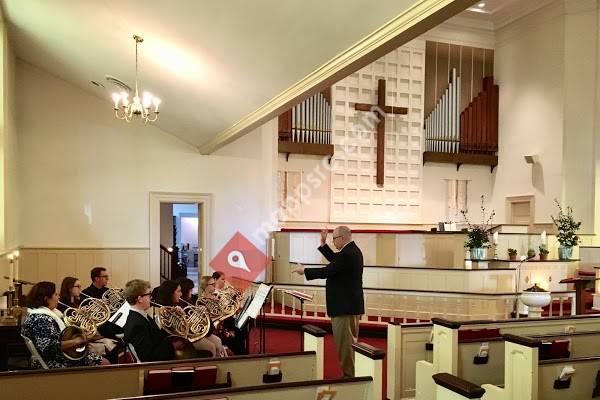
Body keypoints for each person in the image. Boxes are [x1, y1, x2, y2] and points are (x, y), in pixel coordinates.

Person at [292, 226, 364, 377]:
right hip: (348, 306)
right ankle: (350, 376)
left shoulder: (348, 254)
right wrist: (323, 244)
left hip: (344, 308)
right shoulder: (350, 251)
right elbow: (335, 261)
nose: (333, 242)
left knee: (345, 347)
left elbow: (327, 271)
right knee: (347, 345)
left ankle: (349, 379)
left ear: (342, 238)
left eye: (334, 239)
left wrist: (304, 271)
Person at [21, 281, 108, 369]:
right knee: (105, 364)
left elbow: (65, 333)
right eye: (55, 294)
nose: (59, 297)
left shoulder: (46, 315)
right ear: (46, 298)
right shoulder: (40, 319)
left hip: (62, 356)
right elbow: (48, 347)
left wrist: (85, 317)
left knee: (104, 359)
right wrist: (76, 341)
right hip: (56, 361)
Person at [122, 279, 175, 362]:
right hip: (155, 367)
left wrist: (171, 320)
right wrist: (173, 346)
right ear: (140, 299)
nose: (151, 297)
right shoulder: (137, 324)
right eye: (149, 294)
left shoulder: (141, 316)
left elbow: (156, 337)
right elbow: (148, 357)